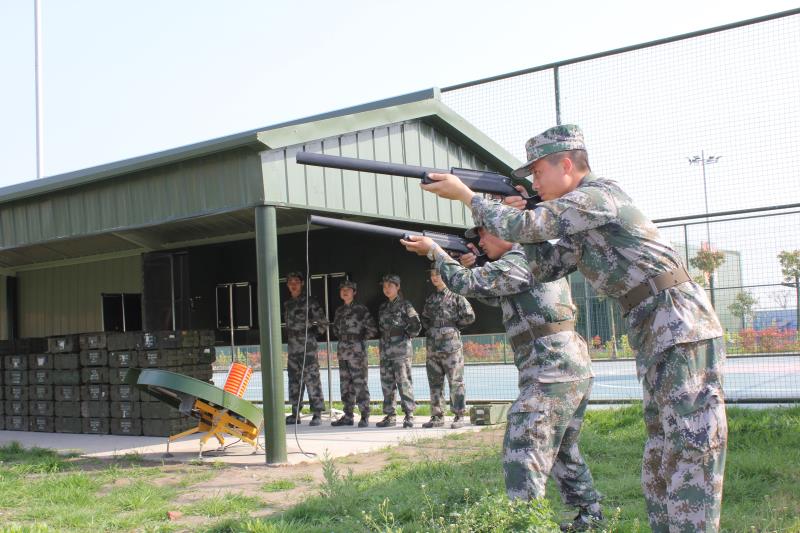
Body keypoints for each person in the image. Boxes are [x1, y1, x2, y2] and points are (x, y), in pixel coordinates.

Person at [414, 124, 728, 532]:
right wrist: (520, 215)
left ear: (566, 164)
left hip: (678, 321)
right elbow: (545, 265)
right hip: (654, 326)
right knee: (662, 451)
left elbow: (525, 229)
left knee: (691, 444)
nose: (534, 181)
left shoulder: (598, 196)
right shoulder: (579, 222)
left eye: (538, 172)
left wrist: (470, 197)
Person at [402, 227, 603, 531]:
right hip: (566, 369)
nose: (480, 241)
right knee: (562, 450)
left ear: (508, 233)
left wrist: (436, 252)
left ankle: (527, 525)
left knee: (522, 453)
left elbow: (466, 283)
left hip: (551, 373)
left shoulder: (519, 259)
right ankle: (591, 519)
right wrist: (471, 266)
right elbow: (497, 295)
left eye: (484, 234)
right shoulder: (533, 259)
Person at [421, 264, 475, 429]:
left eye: (437, 274)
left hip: (451, 347)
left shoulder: (456, 296)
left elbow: (469, 316)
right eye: (432, 275)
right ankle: (437, 416)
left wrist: (452, 328)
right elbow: (424, 319)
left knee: (455, 381)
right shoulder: (430, 299)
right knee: (434, 382)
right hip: (433, 347)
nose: (434, 277)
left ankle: (459, 415)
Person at [330, 279, 378, 428]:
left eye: (348, 289)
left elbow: (372, 329)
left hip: (357, 352)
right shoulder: (339, 311)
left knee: (360, 384)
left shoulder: (361, 309)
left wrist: (359, 340)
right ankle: (348, 416)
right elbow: (336, 330)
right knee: (345, 385)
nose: (345, 292)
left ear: (354, 292)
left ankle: (364, 415)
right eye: (342, 289)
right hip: (343, 351)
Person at [376, 273, 422, 428]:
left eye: (390, 286)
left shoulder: (405, 305)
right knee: (387, 383)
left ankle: (409, 414)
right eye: (384, 286)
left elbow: (416, 324)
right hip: (386, 351)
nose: (386, 289)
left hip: (401, 351)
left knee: (403, 382)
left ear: (398, 287)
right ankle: (390, 415)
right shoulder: (383, 307)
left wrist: (406, 336)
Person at [283, 271, 326, 426]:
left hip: (307, 347)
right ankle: (295, 413)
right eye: (290, 282)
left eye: (296, 281)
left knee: (312, 379)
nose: (293, 284)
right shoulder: (287, 304)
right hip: (293, 348)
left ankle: (317, 414)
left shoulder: (310, 302)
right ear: (288, 285)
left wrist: (311, 336)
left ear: (301, 284)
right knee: (294, 381)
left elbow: (322, 324)